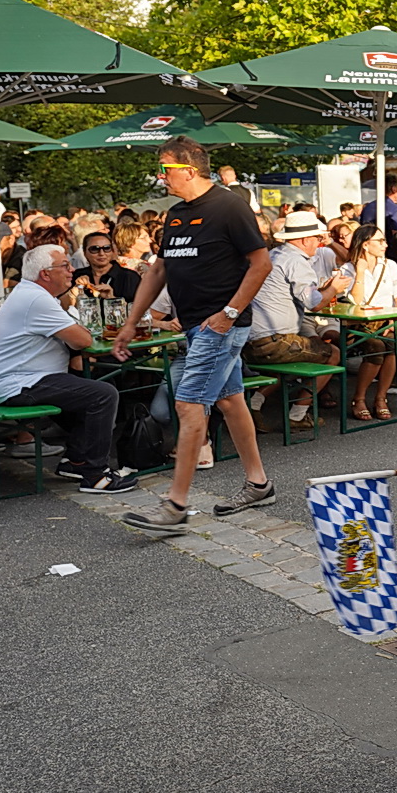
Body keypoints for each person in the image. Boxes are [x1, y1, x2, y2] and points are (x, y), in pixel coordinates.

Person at [114, 136, 274, 534]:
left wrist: (229, 313)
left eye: (165, 169)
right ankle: (258, 483)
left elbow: (261, 264)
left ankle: (176, 506)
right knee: (231, 401)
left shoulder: (229, 206)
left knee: (188, 407)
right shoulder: (176, 214)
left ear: (188, 169)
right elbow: (158, 271)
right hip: (197, 325)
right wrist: (133, 322)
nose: (160, 177)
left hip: (219, 327)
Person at [0, 245, 131, 492]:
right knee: (103, 394)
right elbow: (83, 340)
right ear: (45, 274)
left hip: (18, 377)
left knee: (90, 388)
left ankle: (76, 461)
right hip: (16, 382)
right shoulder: (36, 299)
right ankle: (95, 476)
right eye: (65, 265)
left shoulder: (31, 293)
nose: (72, 270)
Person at [243, 213, 350, 430]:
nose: (320, 243)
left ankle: (254, 403)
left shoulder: (274, 255)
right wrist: (333, 289)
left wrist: (323, 290)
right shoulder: (296, 261)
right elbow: (315, 304)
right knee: (334, 354)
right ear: (304, 240)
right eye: (317, 238)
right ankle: (298, 414)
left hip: (250, 341)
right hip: (274, 341)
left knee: (292, 359)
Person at [342, 223, 397, 421]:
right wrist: (360, 272)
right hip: (360, 324)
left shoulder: (390, 265)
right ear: (365, 245)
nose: (385, 245)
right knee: (377, 346)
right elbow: (355, 301)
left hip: (387, 321)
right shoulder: (348, 269)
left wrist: (396, 322)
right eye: (380, 241)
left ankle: (381, 397)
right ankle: (359, 398)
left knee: (392, 343)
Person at [71, 229, 141, 302]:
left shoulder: (130, 277)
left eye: (106, 248)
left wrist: (111, 299)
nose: (101, 253)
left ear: (112, 251)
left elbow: (139, 309)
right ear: (85, 253)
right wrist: (75, 290)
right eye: (94, 249)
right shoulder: (77, 276)